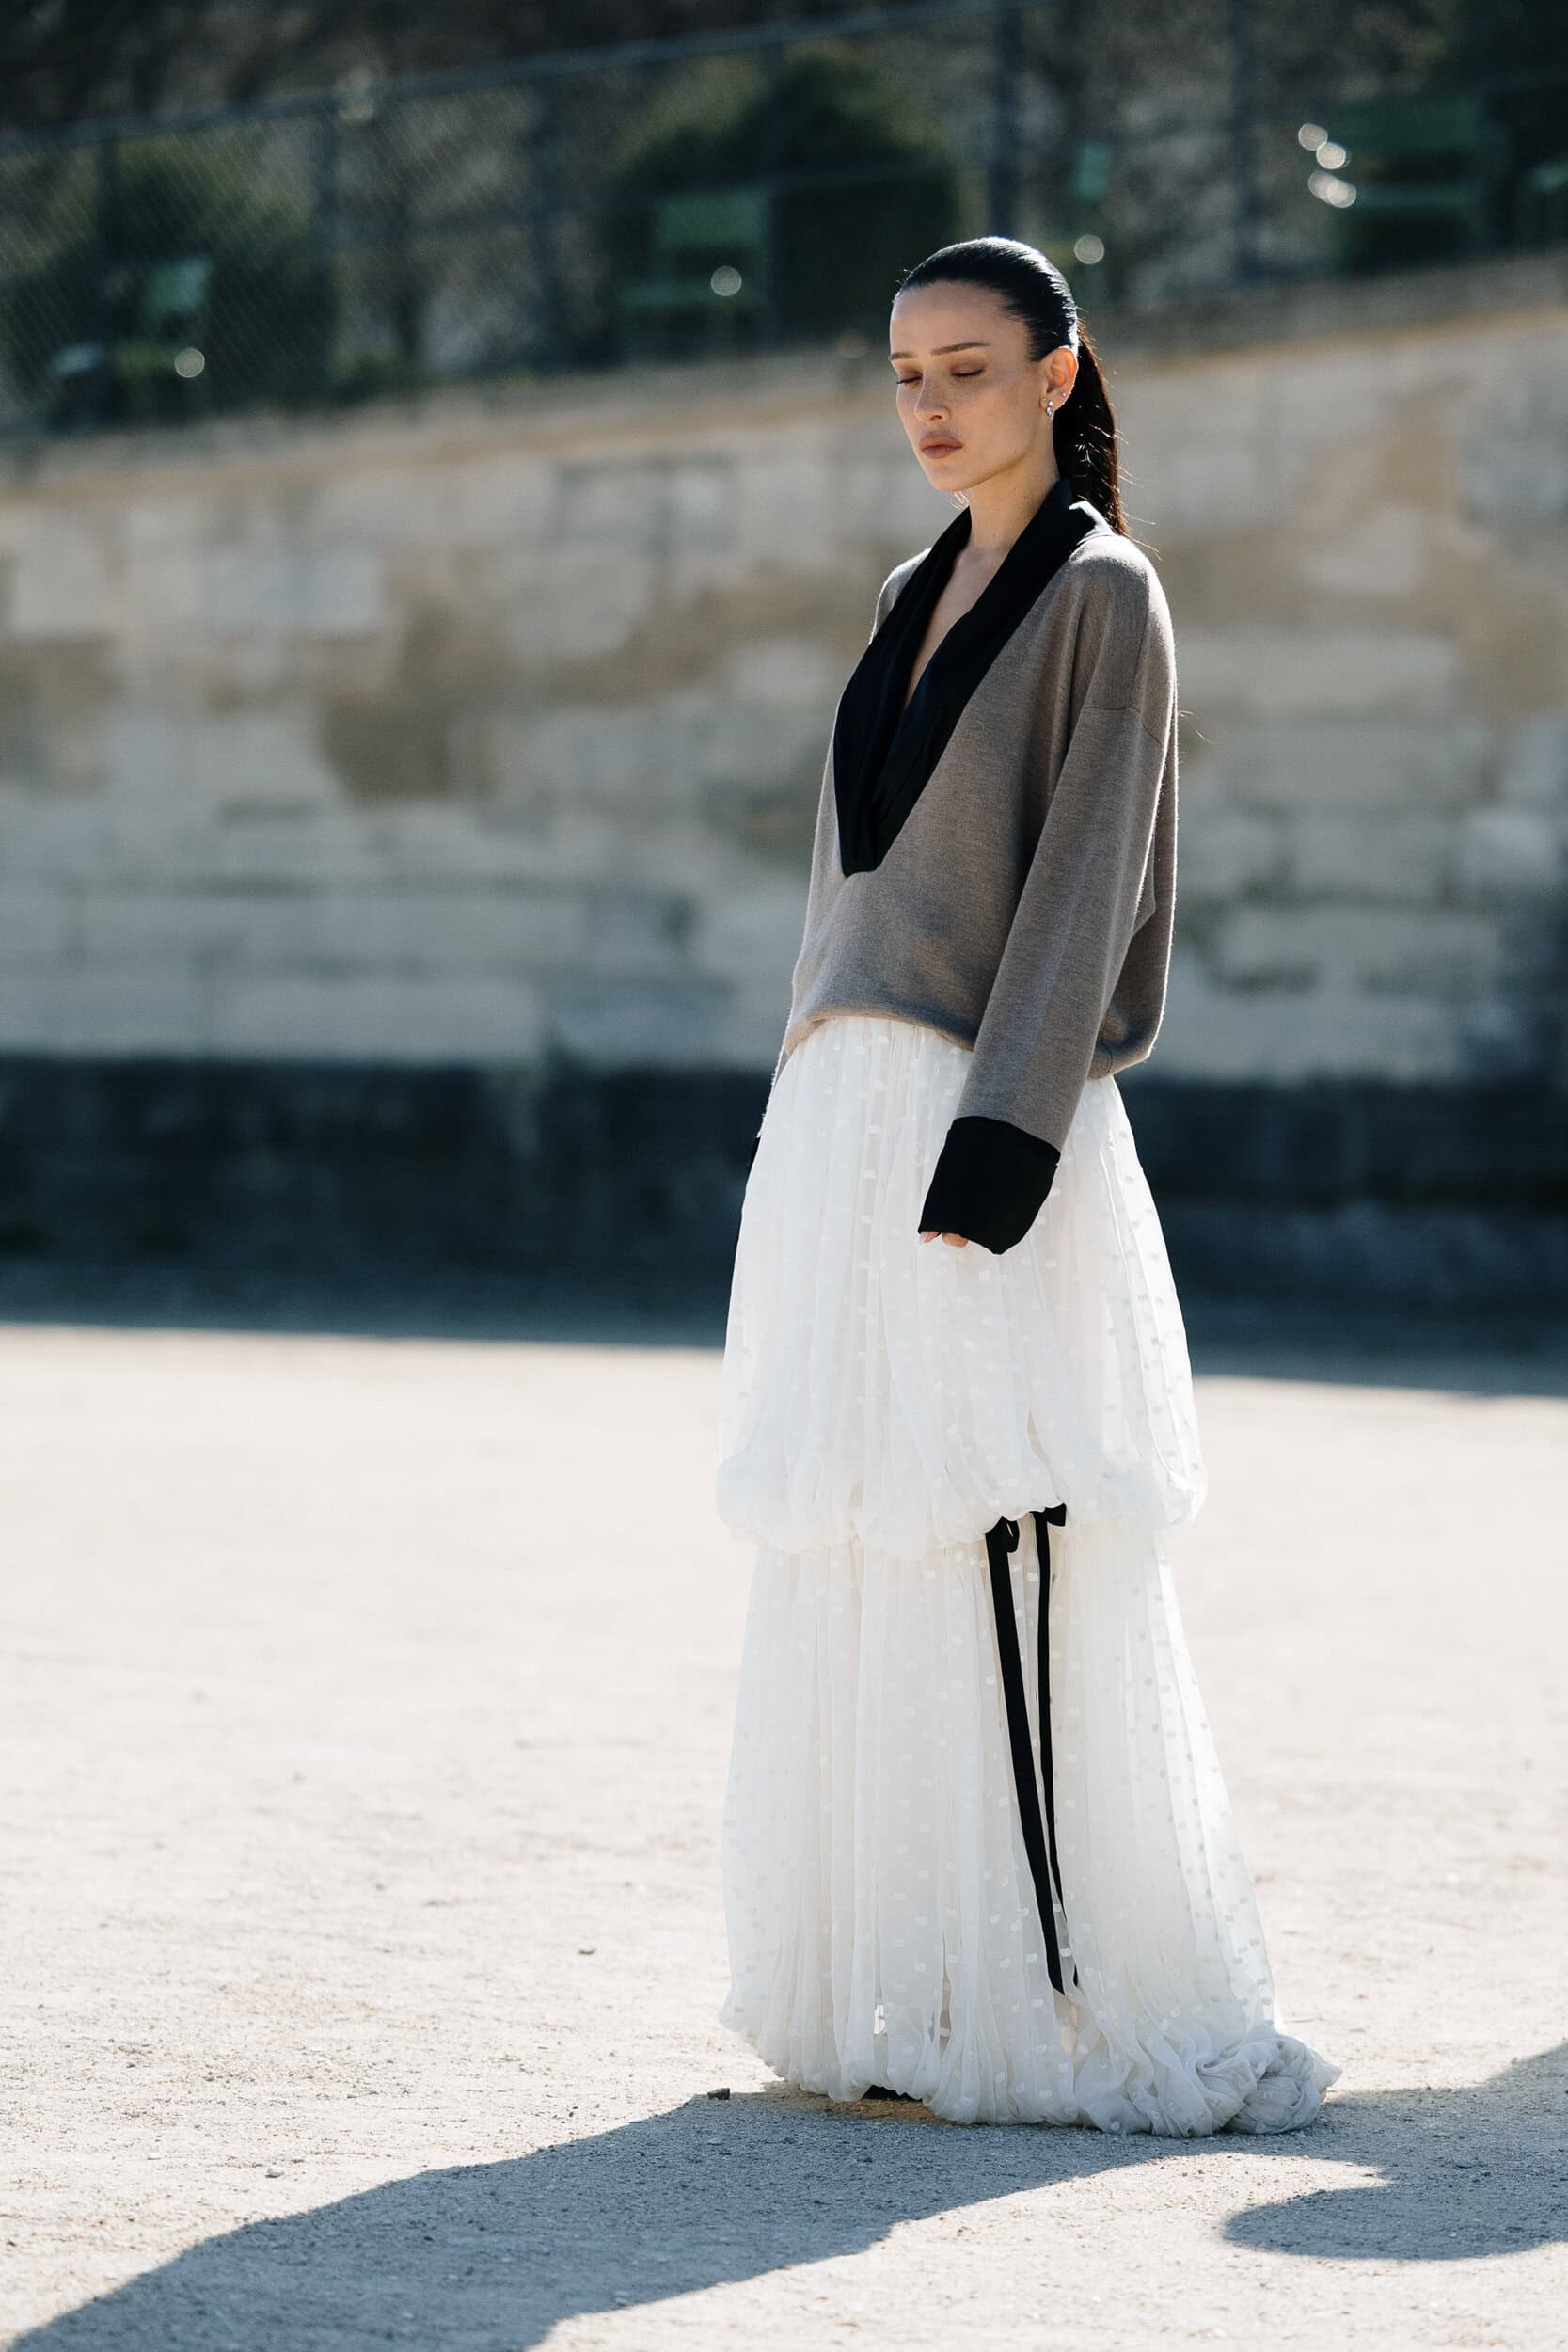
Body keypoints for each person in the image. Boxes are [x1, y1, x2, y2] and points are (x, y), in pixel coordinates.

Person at [713, 236, 1341, 2134]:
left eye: (968, 369)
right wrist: (808, 1095)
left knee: (1007, 1528)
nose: (930, 405)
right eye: (906, 373)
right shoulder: (905, 591)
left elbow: (1088, 885)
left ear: (1058, 377)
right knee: (866, 1532)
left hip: (983, 1112)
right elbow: (844, 889)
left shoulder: (1102, 593)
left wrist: (1002, 1143)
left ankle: (1058, 1985)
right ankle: (910, 1980)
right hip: (847, 1108)